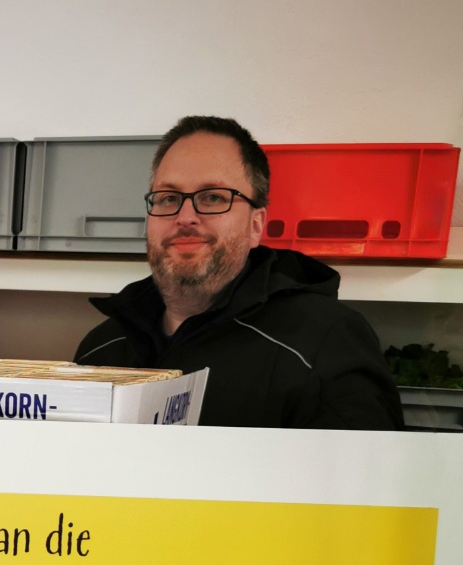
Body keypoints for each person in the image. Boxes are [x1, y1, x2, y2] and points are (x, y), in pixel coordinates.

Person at [74, 116, 402, 430]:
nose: (185, 217)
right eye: (168, 198)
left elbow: (365, 469)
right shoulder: (101, 349)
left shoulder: (326, 344)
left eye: (213, 197)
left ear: (255, 225)